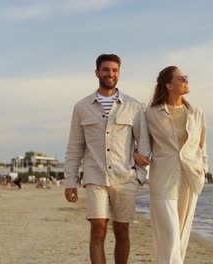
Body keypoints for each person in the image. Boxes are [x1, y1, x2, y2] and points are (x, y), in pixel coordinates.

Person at [64, 54, 151, 264]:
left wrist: (139, 177)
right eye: (105, 70)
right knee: (98, 229)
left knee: (122, 231)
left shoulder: (134, 106)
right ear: (97, 73)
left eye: (114, 70)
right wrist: (70, 182)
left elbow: (145, 146)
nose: (110, 74)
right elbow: (75, 147)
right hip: (95, 178)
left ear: (119, 73)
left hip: (125, 179)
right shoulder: (82, 107)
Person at [139, 66, 208, 263]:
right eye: (181, 78)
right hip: (163, 179)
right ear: (169, 85)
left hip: (190, 178)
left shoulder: (196, 113)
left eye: (186, 77)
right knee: (169, 237)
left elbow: (202, 147)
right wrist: (137, 156)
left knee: (181, 238)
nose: (186, 80)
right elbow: (143, 144)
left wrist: (203, 170)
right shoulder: (150, 113)